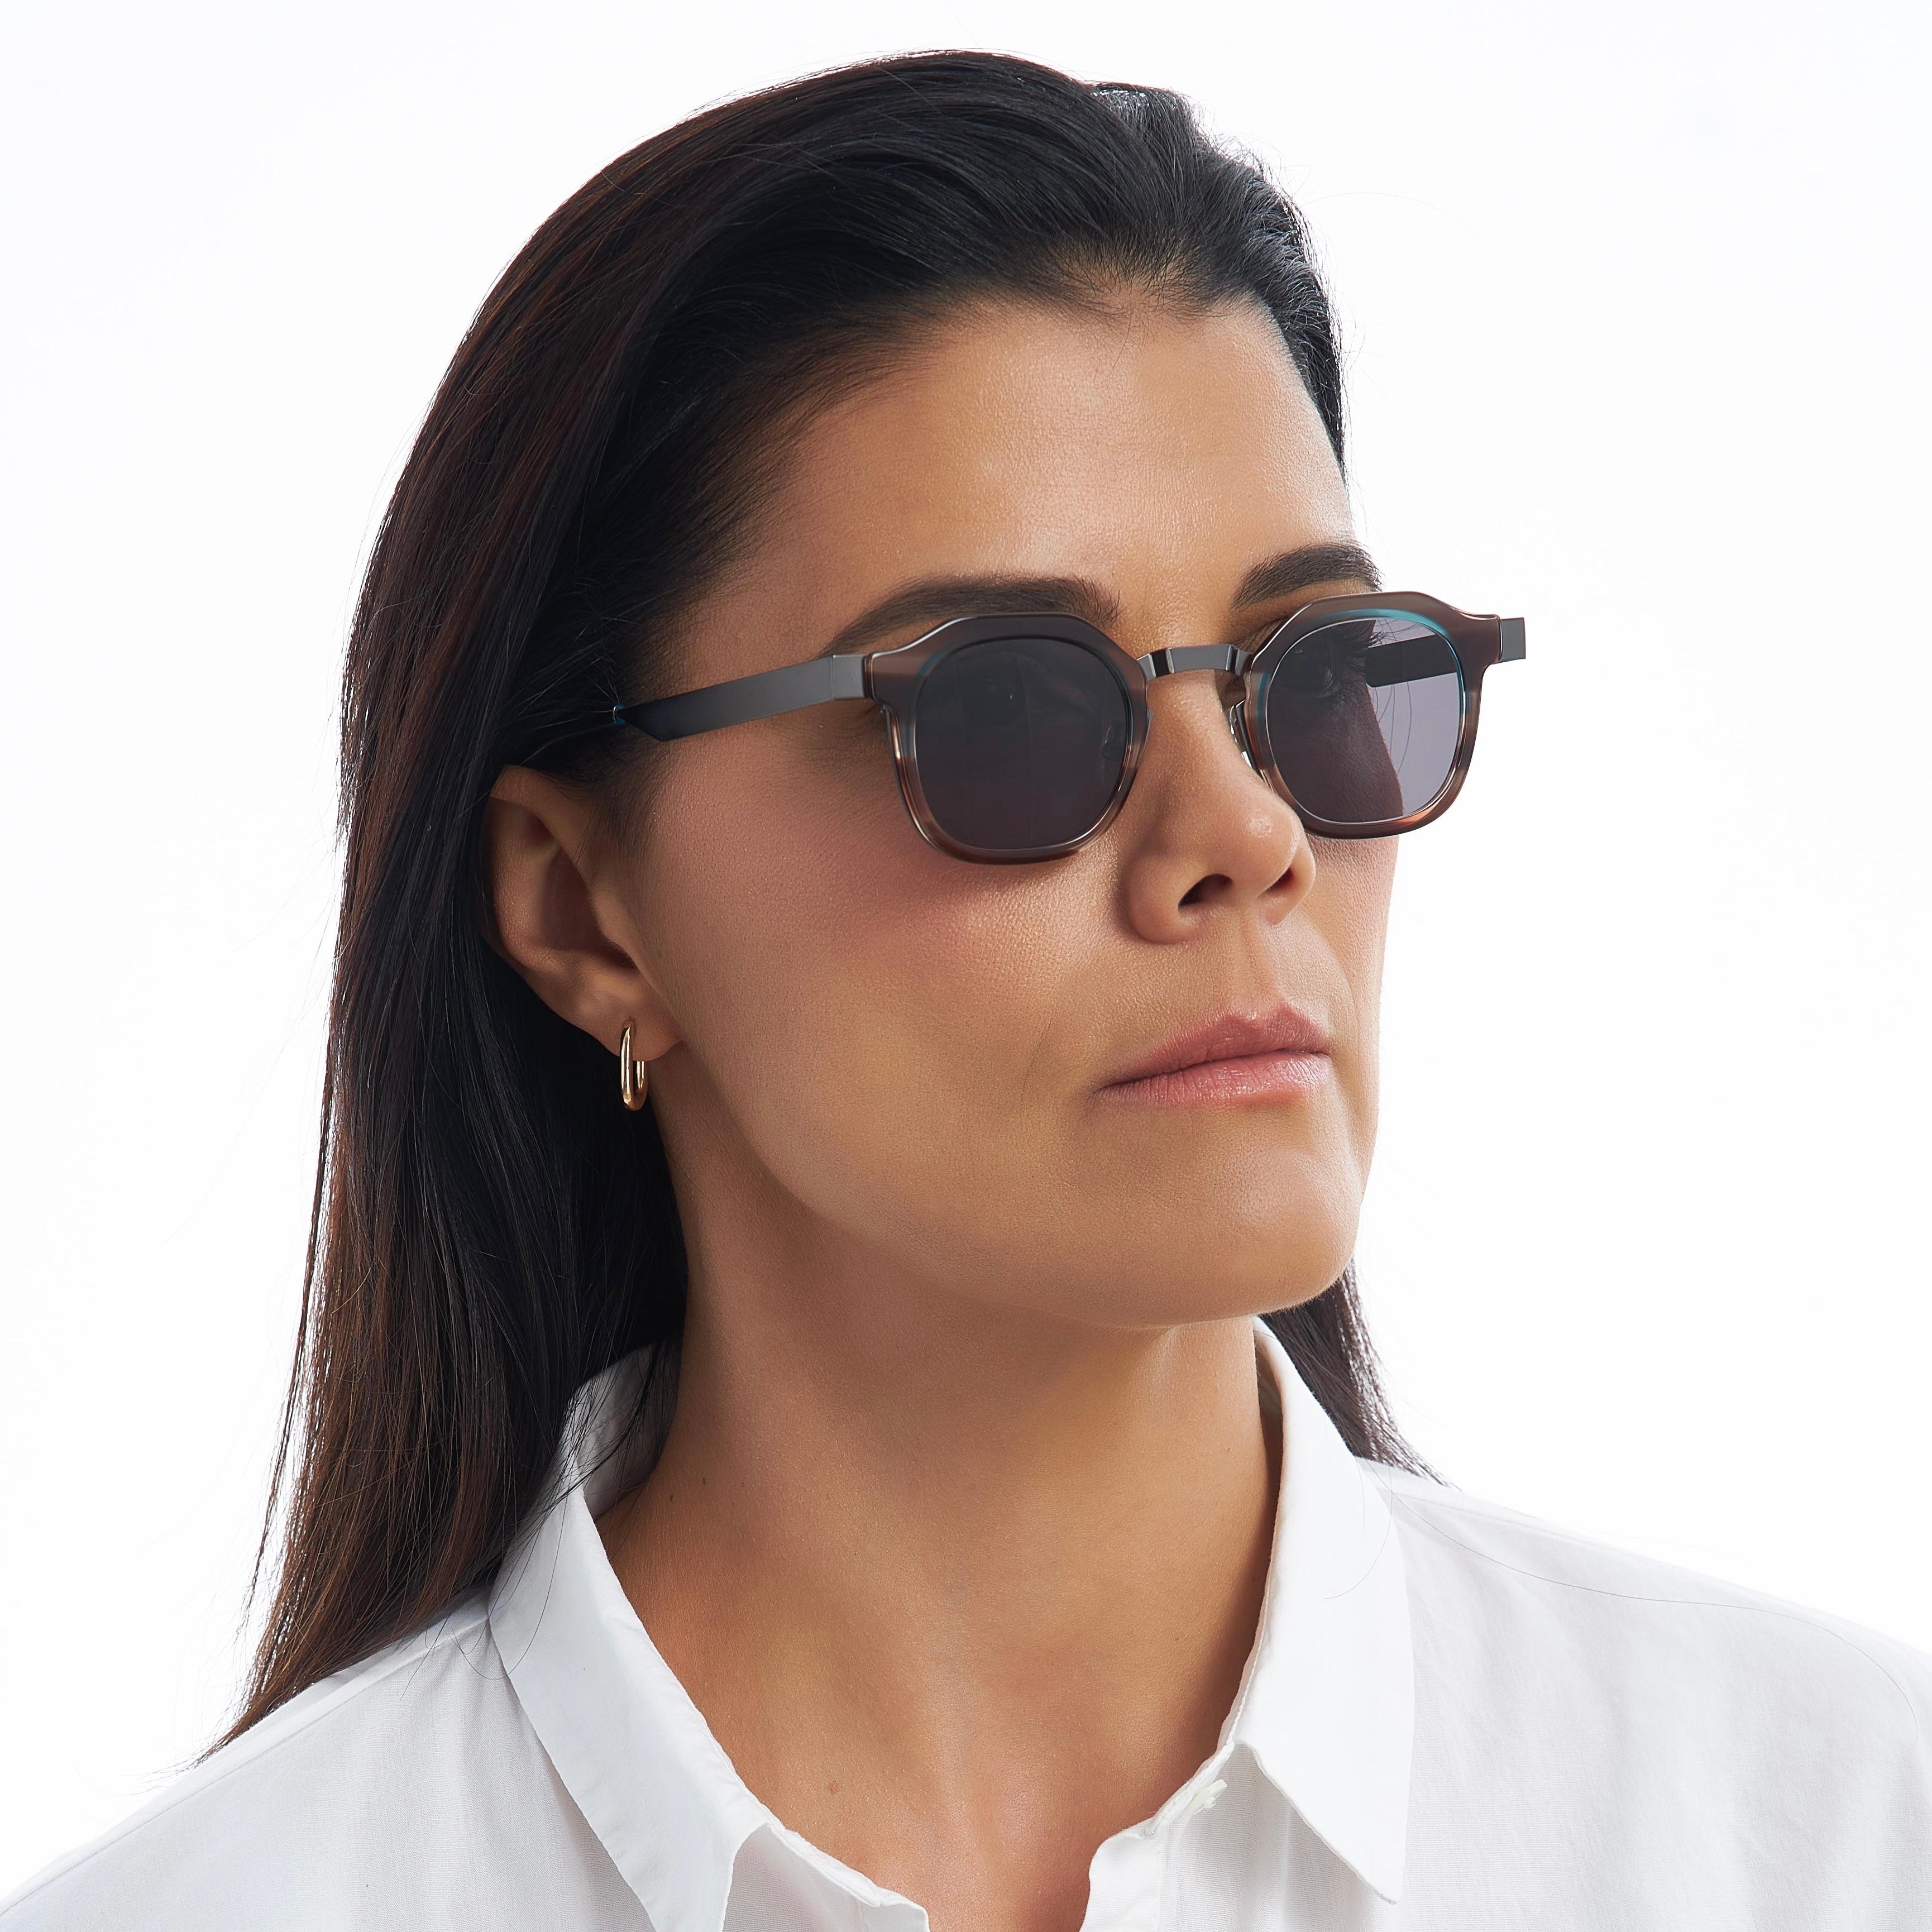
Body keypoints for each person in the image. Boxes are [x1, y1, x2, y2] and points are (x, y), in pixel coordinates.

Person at [6, 50, 1926, 1932]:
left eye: (1325, 675)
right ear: (584, 908)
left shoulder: (1835, 1841)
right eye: (1010, 713)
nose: (1246, 834)